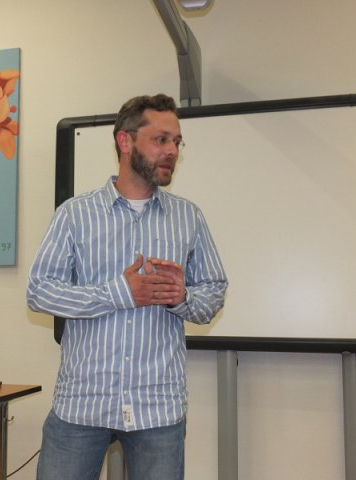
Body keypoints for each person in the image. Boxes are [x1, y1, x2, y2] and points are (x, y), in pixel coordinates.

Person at [27, 93, 227, 480]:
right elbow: (39, 291)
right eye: (161, 139)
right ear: (125, 141)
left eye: (177, 142)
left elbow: (213, 293)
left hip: (158, 409)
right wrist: (120, 292)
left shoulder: (188, 217)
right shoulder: (74, 215)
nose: (172, 151)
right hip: (82, 405)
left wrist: (182, 297)